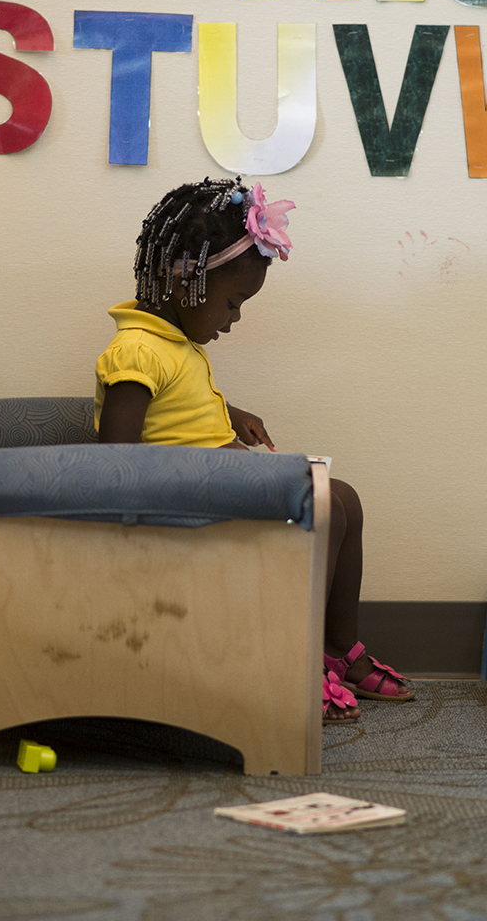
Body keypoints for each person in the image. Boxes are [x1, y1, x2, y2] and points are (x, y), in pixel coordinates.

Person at [94, 176, 414, 724]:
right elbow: (116, 458)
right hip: (185, 504)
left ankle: (337, 650)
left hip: (219, 483)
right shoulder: (135, 349)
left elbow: (176, 412)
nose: (235, 318)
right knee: (324, 505)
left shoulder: (172, 345)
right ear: (184, 282)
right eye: (233, 302)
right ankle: (295, 658)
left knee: (346, 499)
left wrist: (231, 416)